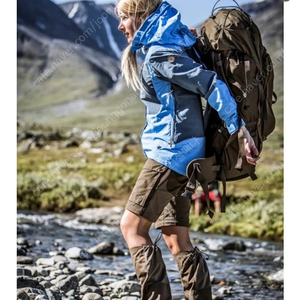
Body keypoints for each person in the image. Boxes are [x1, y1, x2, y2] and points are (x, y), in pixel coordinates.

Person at [115, 1, 260, 299]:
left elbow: (210, 84)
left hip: (172, 153)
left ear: (141, 16)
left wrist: (240, 129)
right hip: (187, 154)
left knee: (131, 228)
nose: (121, 25)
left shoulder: (159, 54)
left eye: (124, 18)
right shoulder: (175, 42)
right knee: (176, 237)